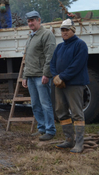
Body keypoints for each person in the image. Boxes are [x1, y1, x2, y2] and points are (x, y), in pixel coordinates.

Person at [50, 18, 89, 153]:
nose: (64, 32)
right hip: (60, 84)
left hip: (74, 84)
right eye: (62, 30)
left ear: (73, 30)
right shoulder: (60, 47)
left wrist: (62, 77)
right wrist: (55, 76)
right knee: (61, 111)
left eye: (67, 30)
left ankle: (79, 143)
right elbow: (52, 63)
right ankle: (69, 140)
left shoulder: (80, 45)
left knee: (77, 113)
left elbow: (77, 65)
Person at [22, 11, 56, 141]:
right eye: (29, 21)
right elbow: (27, 58)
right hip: (30, 76)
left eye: (33, 20)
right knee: (35, 104)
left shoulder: (46, 34)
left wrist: (46, 74)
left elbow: (50, 56)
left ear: (39, 20)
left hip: (40, 76)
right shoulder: (31, 36)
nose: (30, 23)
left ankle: (50, 130)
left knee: (45, 104)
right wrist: (25, 76)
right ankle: (41, 128)